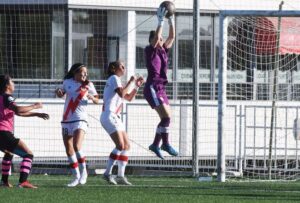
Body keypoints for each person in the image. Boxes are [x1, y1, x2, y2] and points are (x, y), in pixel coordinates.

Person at [0, 74, 49, 188]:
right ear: (7, 85)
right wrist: (35, 106)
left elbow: (17, 112)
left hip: (1, 135)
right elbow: (18, 109)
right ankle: (23, 182)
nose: (14, 84)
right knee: (28, 154)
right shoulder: (7, 97)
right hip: (4, 133)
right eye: (12, 82)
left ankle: (4, 182)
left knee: (8, 153)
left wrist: (36, 114)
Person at [55, 63, 99, 187]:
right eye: (82, 72)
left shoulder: (88, 85)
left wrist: (92, 97)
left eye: (86, 73)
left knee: (77, 146)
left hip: (80, 119)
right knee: (69, 149)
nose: (85, 74)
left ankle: (84, 171)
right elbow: (61, 94)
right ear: (75, 73)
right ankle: (76, 176)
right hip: (66, 119)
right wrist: (58, 92)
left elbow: (97, 100)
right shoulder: (67, 82)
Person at [100, 60, 143, 185]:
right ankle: (107, 173)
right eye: (122, 66)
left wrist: (137, 86)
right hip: (109, 115)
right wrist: (130, 82)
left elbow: (128, 98)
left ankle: (120, 176)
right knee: (120, 145)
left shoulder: (117, 81)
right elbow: (122, 93)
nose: (124, 68)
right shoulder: (114, 78)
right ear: (114, 68)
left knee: (126, 146)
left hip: (115, 117)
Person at [143, 6, 178, 159]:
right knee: (165, 118)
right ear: (151, 41)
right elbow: (157, 37)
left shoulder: (163, 49)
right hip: (152, 87)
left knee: (167, 118)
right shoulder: (149, 50)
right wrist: (160, 22)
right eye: (157, 39)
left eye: (161, 40)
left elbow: (172, 37)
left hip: (161, 87)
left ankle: (157, 144)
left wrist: (171, 21)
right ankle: (164, 144)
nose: (160, 41)